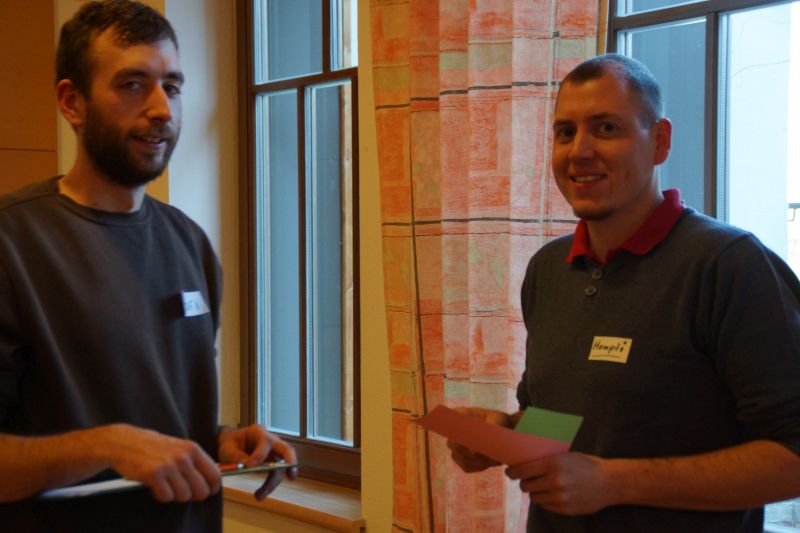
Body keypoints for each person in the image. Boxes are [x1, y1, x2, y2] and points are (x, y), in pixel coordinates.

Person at [448, 53, 800, 532]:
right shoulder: (549, 269)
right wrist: (503, 434)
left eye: (606, 128)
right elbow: (567, 422)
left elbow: (793, 454)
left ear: (660, 141)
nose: (580, 151)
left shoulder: (728, 265)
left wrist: (616, 482)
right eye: (565, 132)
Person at [0, 1, 296, 531]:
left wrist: (220, 441)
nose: (162, 108)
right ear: (72, 102)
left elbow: (161, 416)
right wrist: (105, 445)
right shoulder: (13, 242)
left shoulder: (190, 242)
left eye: (172, 87)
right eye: (133, 85)